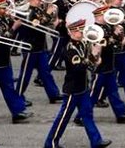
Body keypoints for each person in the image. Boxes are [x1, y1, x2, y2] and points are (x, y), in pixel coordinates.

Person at [45, 18, 111, 148]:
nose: (82, 33)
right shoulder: (70, 49)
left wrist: (95, 58)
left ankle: (96, 141)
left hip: (83, 87)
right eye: (79, 31)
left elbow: (89, 64)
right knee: (63, 118)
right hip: (72, 89)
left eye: (82, 30)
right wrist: (92, 56)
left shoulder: (82, 44)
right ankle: (51, 143)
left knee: (87, 115)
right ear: (71, 33)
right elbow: (78, 68)